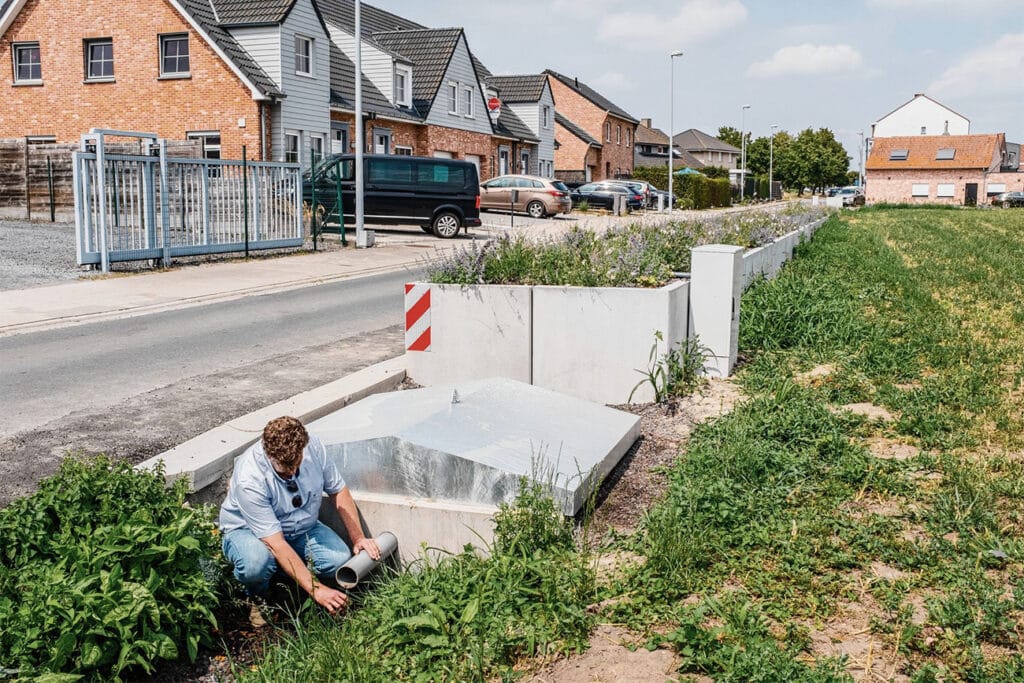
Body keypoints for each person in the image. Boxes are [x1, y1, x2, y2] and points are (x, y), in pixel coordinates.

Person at [219, 416, 380, 614]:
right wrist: (317, 590)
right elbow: (275, 543)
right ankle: (257, 595)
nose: (292, 472)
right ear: (269, 455)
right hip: (250, 532)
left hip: (301, 527)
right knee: (256, 564)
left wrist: (358, 537)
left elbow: (338, 490)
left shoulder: (314, 448)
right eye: (284, 470)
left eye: (296, 464)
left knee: (338, 559)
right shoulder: (250, 479)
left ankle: (287, 576)